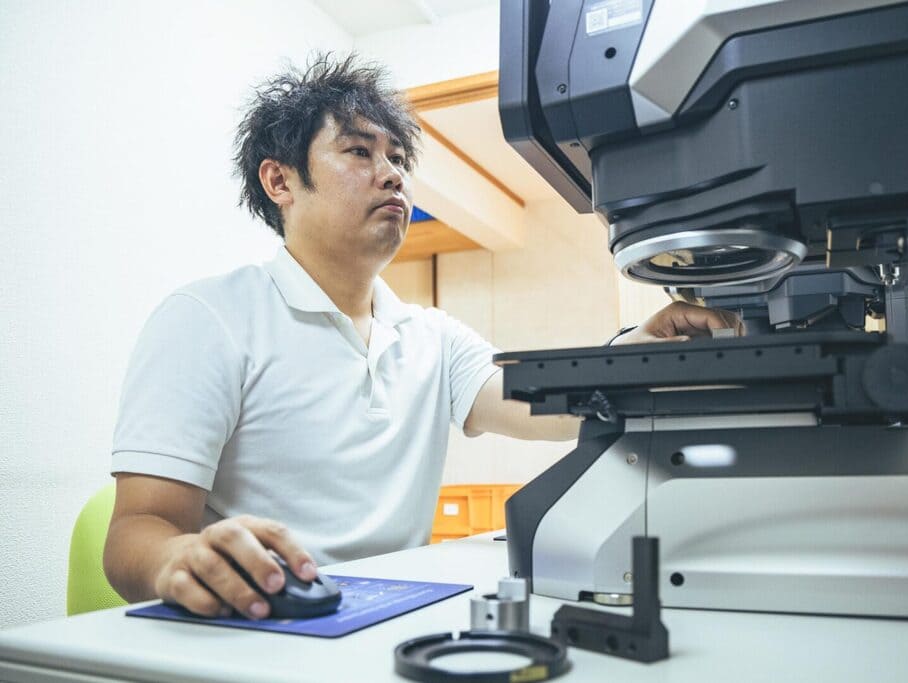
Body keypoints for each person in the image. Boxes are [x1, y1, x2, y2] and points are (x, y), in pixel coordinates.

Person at [103, 53, 742, 621]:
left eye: (398, 159)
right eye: (359, 152)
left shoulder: (430, 335)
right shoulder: (208, 317)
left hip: (391, 620)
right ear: (280, 182)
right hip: (262, 626)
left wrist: (636, 353)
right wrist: (179, 559)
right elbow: (136, 532)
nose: (392, 176)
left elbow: (546, 405)